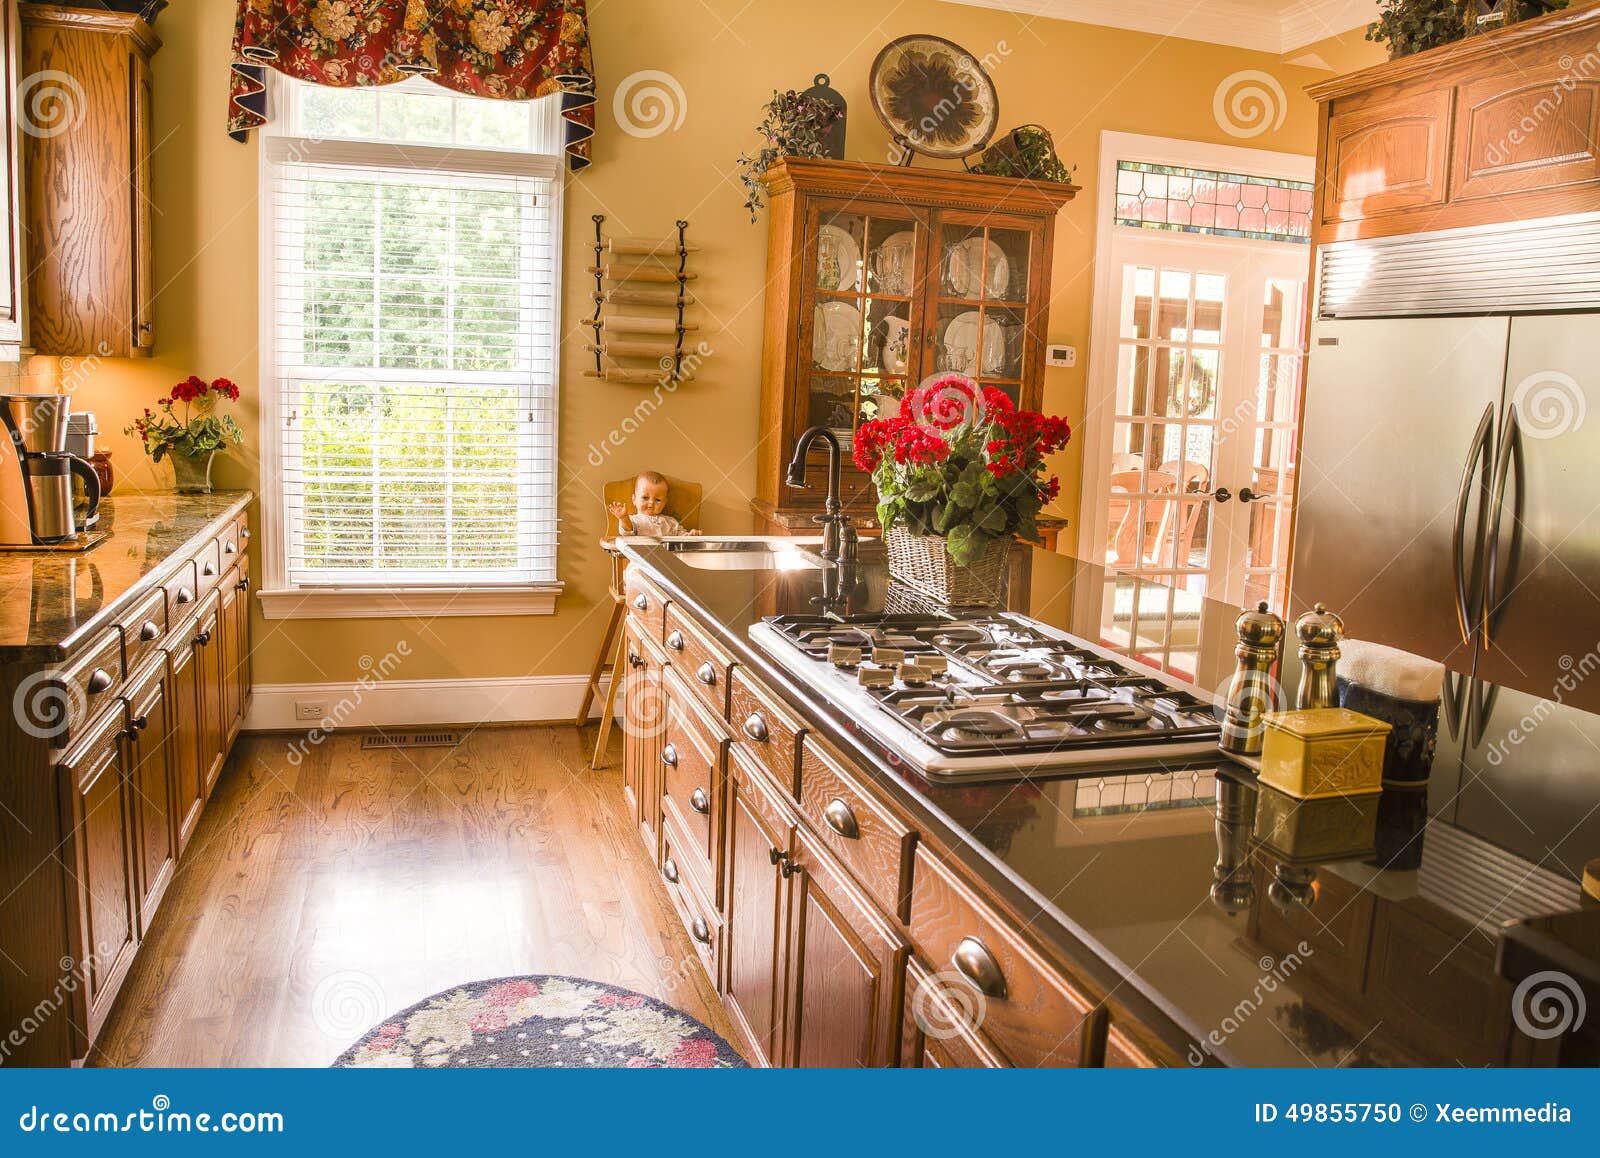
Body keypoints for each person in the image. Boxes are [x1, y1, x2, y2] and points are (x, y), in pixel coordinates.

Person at [608, 470, 699, 537]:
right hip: (641, 560)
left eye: (658, 500)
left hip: (667, 559)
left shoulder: (670, 522)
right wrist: (623, 517)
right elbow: (627, 531)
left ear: (665, 502)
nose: (651, 503)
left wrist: (690, 535)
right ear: (634, 500)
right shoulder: (633, 521)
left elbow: (681, 538)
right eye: (645, 498)